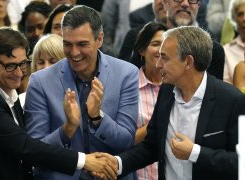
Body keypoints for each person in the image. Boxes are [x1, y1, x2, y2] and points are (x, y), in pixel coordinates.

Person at [0, 27, 117, 180]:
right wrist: (83, 160)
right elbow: (25, 147)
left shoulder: (8, 92)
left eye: (23, 64)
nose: (19, 72)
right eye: (11, 66)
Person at [100, 26, 243, 180]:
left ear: (188, 62)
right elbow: (151, 146)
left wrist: (195, 153)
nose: (158, 64)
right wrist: (117, 163)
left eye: (165, 57)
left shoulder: (233, 100)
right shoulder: (167, 92)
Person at [24, 5, 139, 180]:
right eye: (67, 44)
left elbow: (126, 142)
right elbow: (36, 152)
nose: (74, 52)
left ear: (99, 39)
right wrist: (68, 128)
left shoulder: (126, 74)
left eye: (82, 44)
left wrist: (97, 118)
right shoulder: (40, 82)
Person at [132, 22, 168, 180]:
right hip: (139, 174)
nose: (161, 50)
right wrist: (156, 124)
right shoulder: (128, 87)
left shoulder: (179, 87)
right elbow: (123, 140)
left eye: (166, 45)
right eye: (155, 44)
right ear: (141, 50)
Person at [162, 0, 225, 80]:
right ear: (165, 2)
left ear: (198, 4)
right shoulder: (149, 45)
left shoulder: (213, 51)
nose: (185, 4)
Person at [19, 34, 65, 107]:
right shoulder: (21, 101)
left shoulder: (78, 96)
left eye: (53, 62)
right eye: (41, 62)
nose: (46, 67)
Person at [223, 0, 245, 84]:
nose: (244, 19)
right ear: (234, 19)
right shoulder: (226, 51)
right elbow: (225, 89)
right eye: (240, 14)